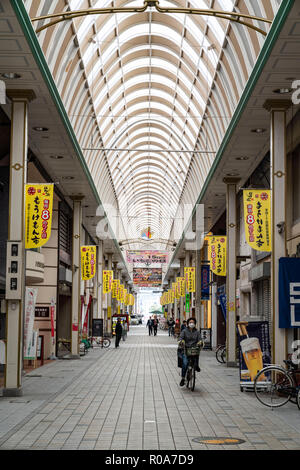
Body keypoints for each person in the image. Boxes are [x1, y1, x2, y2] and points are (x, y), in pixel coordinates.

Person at [178, 317, 203, 387]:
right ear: (188, 323)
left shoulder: (197, 332)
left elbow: (200, 339)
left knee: (196, 356)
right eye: (190, 322)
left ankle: (196, 366)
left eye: (193, 322)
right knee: (185, 363)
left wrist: (200, 343)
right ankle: (183, 378)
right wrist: (181, 341)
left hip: (194, 349)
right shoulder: (184, 331)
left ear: (195, 324)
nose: (191, 324)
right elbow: (180, 338)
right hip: (186, 349)